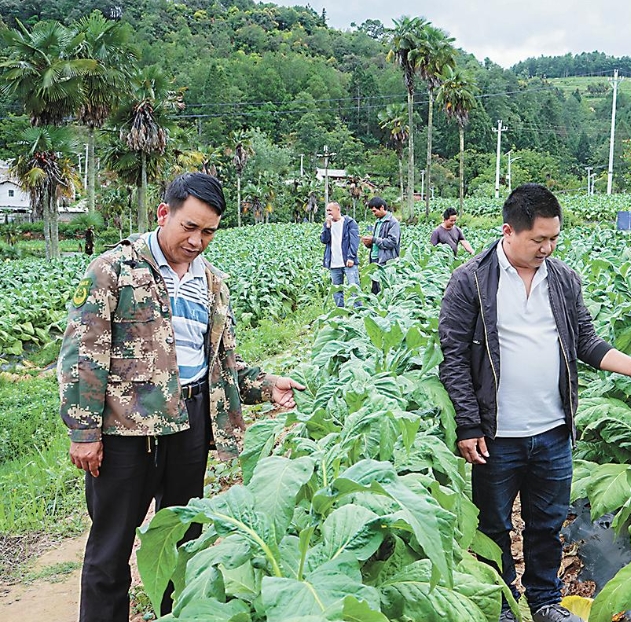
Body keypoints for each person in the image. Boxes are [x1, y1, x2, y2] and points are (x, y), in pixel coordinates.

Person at [58, 172, 305, 622]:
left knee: (182, 542)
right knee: (111, 547)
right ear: (163, 213)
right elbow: (82, 354)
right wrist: (83, 431)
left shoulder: (211, 282)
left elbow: (219, 360)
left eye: (207, 231)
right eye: (188, 227)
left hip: (190, 423)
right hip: (126, 432)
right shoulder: (114, 269)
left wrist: (266, 385)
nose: (196, 240)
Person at [438, 184, 631, 622]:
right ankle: (501, 604)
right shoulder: (471, 280)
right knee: (493, 527)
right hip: (496, 435)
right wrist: (468, 425)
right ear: (509, 231)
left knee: (546, 524)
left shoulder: (562, 279)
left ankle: (544, 602)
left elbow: (586, 342)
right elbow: (455, 360)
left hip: (553, 431)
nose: (547, 247)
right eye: (538, 239)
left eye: (553, 238)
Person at [320, 200, 360, 307]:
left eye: (330, 210)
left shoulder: (349, 223)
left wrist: (351, 257)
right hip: (334, 263)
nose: (328, 213)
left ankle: (359, 313)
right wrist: (327, 227)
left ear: (338, 210)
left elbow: (354, 241)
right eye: (327, 210)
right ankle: (340, 315)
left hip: (348, 262)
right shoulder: (327, 224)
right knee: (337, 292)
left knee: (354, 288)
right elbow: (324, 240)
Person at [360, 196, 400, 295]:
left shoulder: (393, 222)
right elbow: (376, 242)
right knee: (375, 288)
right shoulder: (377, 222)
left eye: (375, 211)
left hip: (386, 260)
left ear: (382, 207)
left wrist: (373, 239)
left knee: (385, 288)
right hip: (374, 259)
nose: (374, 214)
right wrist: (368, 243)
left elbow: (392, 242)